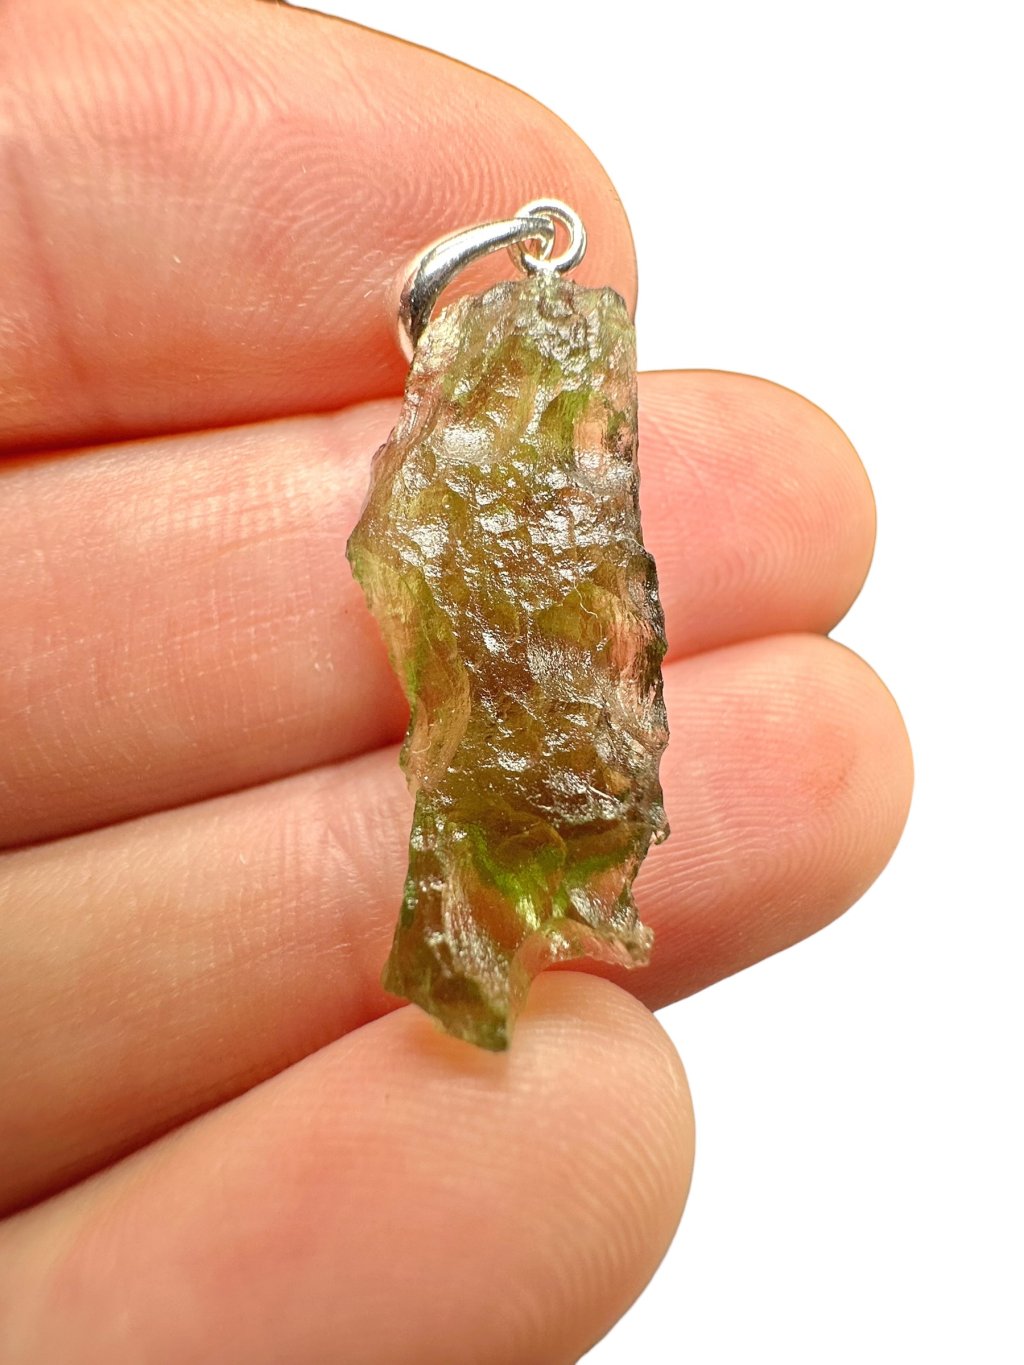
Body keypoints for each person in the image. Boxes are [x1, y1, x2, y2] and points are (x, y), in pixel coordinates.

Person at [0, 1, 912, 1360]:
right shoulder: (480, 446)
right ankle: (491, 942)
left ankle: (522, 922)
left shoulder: (548, 419)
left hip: (552, 766)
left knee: (558, 784)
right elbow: (417, 548)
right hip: (506, 766)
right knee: (520, 797)